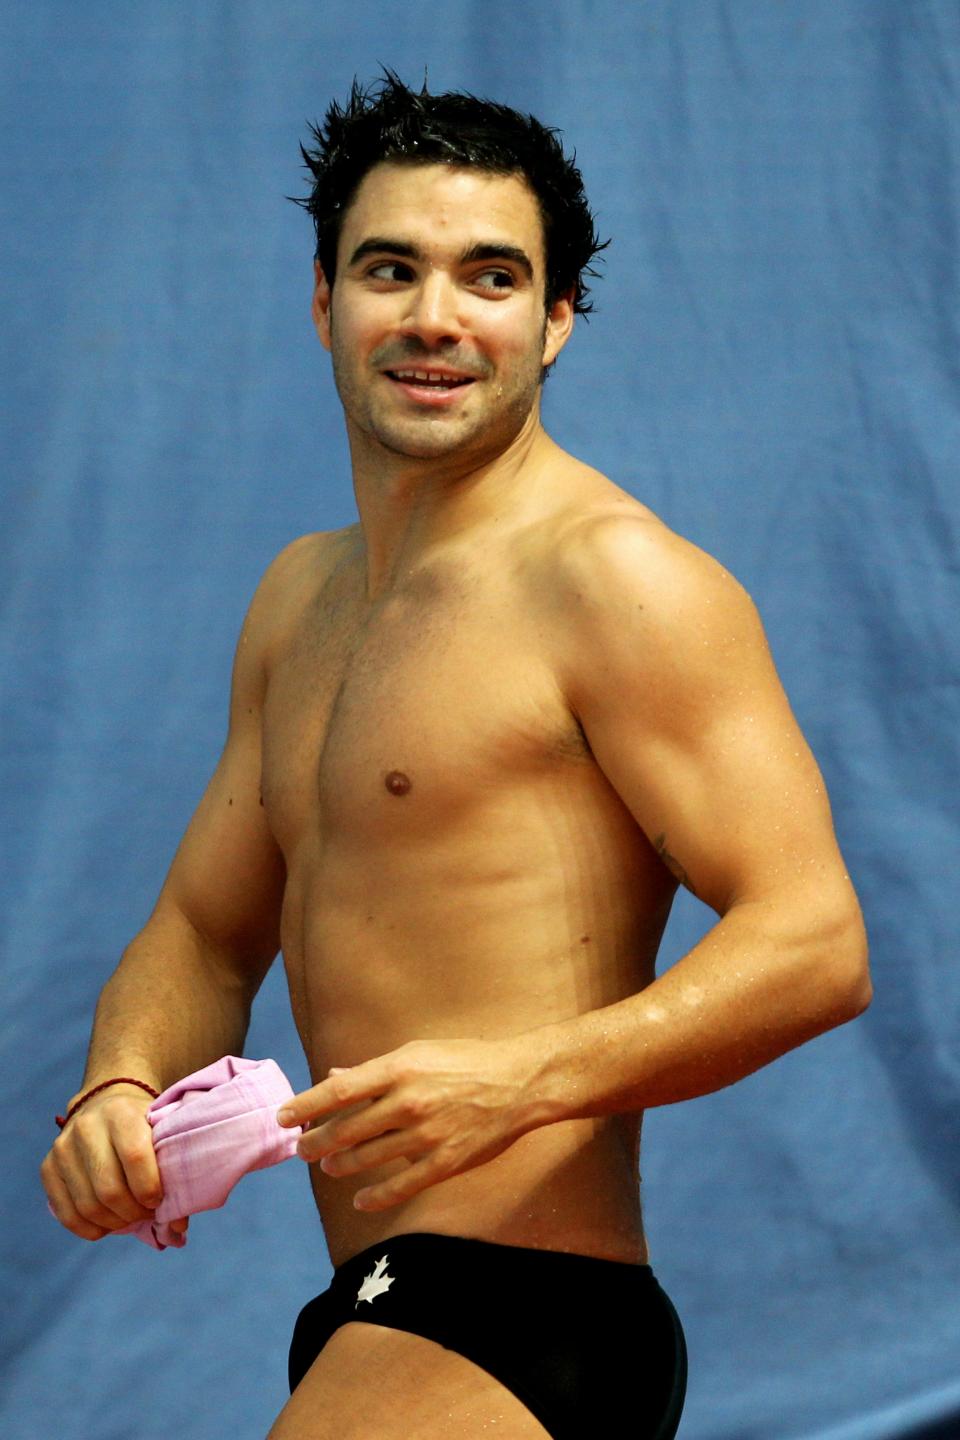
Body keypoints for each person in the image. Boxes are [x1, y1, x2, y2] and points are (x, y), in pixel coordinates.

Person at [41, 74, 871, 1440]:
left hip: (526, 1304)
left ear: (554, 324)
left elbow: (817, 940)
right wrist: (121, 1083)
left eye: (491, 278)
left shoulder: (616, 582)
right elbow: (201, 931)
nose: (436, 318)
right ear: (323, 302)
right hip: (367, 1304)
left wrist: (521, 1078)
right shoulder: (302, 601)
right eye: (391, 270)